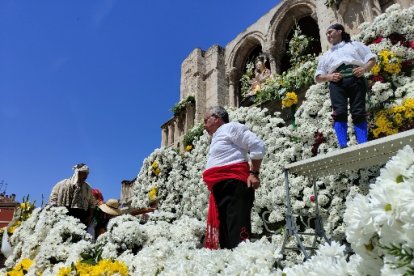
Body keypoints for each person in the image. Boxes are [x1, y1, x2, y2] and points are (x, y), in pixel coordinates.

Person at [202, 106, 266, 249]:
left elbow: (257, 145)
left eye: (206, 120)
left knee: (237, 232)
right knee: (225, 234)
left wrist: (254, 173)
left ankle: (243, 266)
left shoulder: (231, 127)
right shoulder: (216, 137)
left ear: (217, 118)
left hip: (234, 184)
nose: (204, 125)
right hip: (221, 188)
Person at [315, 23, 376, 148]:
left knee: (358, 111)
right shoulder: (326, 55)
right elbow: (318, 76)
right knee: (339, 112)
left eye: (330, 32)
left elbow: (371, 59)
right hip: (337, 84)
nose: (328, 35)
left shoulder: (355, 45)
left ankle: (363, 144)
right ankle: (343, 145)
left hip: (356, 79)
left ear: (340, 31)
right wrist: (329, 77)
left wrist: (364, 68)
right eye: (326, 34)